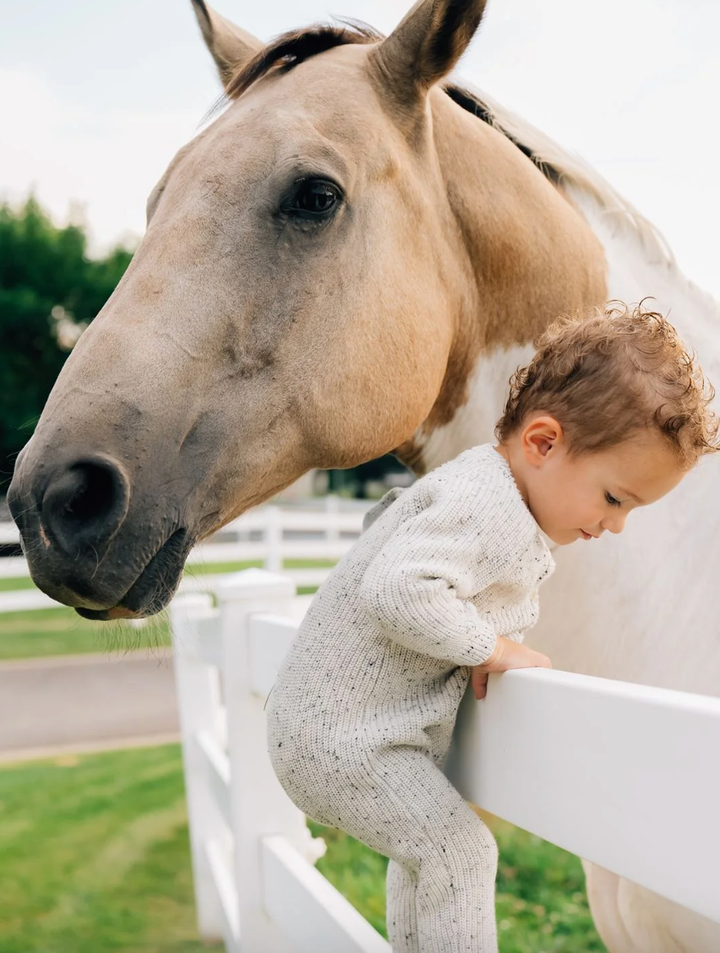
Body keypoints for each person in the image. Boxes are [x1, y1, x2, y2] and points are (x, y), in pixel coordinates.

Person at [265, 302, 718, 952]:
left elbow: (384, 535)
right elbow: (397, 587)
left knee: (425, 851)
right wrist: (490, 644)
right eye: (615, 498)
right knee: (462, 850)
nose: (615, 525)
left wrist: (463, 630)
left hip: (326, 728)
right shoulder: (491, 507)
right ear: (542, 442)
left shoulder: (474, 484)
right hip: (343, 738)